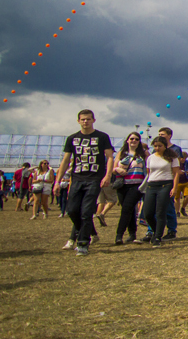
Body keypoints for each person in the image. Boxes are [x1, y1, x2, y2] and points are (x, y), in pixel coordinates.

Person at [55, 109, 114, 256]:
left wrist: (107, 175)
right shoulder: (72, 138)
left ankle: (82, 243)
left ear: (93, 120)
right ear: (78, 121)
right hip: (77, 178)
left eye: (88, 119)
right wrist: (57, 181)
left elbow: (110, 157)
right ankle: (91, 232)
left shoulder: (102, 137)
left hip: (94, 179)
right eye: (83, 119)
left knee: (87, 211)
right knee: (72, 210)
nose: (85, 122)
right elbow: (66, 160)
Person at [141, 136, 180, 247]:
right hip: (152, 185)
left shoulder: (172, 157)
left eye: (160, 146)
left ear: (165, 146)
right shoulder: (150, 158)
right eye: (155, 146)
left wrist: (174, 188)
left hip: (165, 185)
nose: (157, 148)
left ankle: (157, 237)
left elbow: (176, 173)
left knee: (160, 212)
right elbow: (149, 172)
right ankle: (155, 231)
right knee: (148, 213)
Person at [112, 132, 148, 244]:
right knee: (129, 209)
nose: (134, 141)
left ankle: (119, 235)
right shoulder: (121, 153)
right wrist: (118, 170)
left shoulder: (144, 153)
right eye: (131, 138)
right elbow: (113, 169)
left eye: (136, 139)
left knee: (126, 209)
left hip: (137, 185)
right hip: (122, 184)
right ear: (127, 140)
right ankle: (132, 233)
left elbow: (148, 168)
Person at [156, 128, 183, 238]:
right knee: (155, 207)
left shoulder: (176, 149)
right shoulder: (156, 148)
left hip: (169, 180)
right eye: (159, 134)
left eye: (162, 134)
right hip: (157, 180)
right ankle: (152, 230)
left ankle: (172, 230)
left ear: (169, 135)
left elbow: (178, 164)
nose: (160, 136)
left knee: (169, 206)